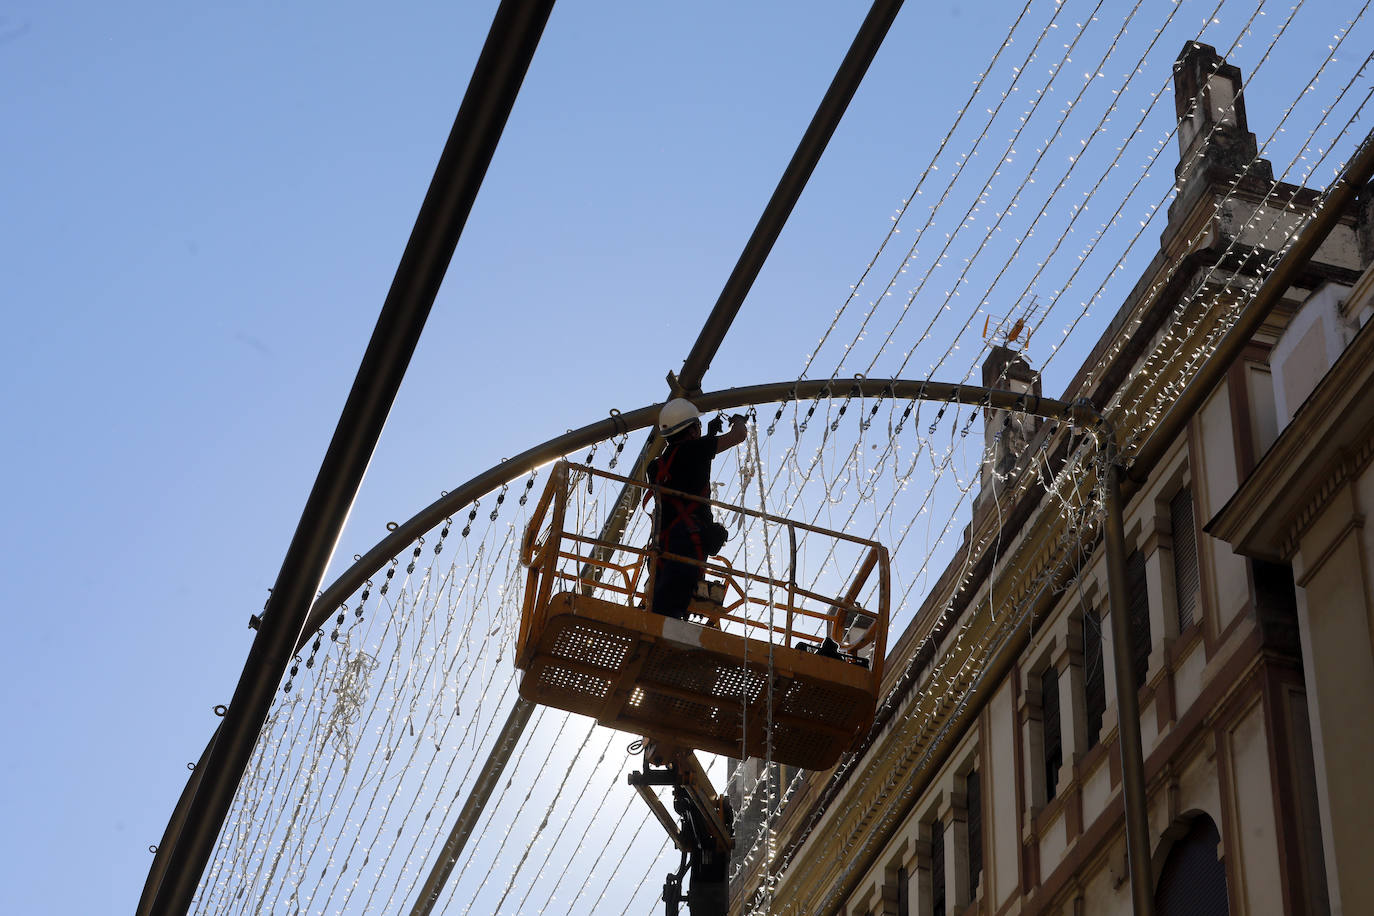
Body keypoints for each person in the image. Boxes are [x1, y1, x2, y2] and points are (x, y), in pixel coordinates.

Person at [645, 398, 748, 620]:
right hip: (686, 543)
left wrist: (709, 438)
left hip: (662, 545)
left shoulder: (657, 465)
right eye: (697, 427)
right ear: (692, 430)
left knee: (662, 604)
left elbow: (689, 469)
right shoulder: (695, 450)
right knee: (672, 614)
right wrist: (739, 421)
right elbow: (738, 436)